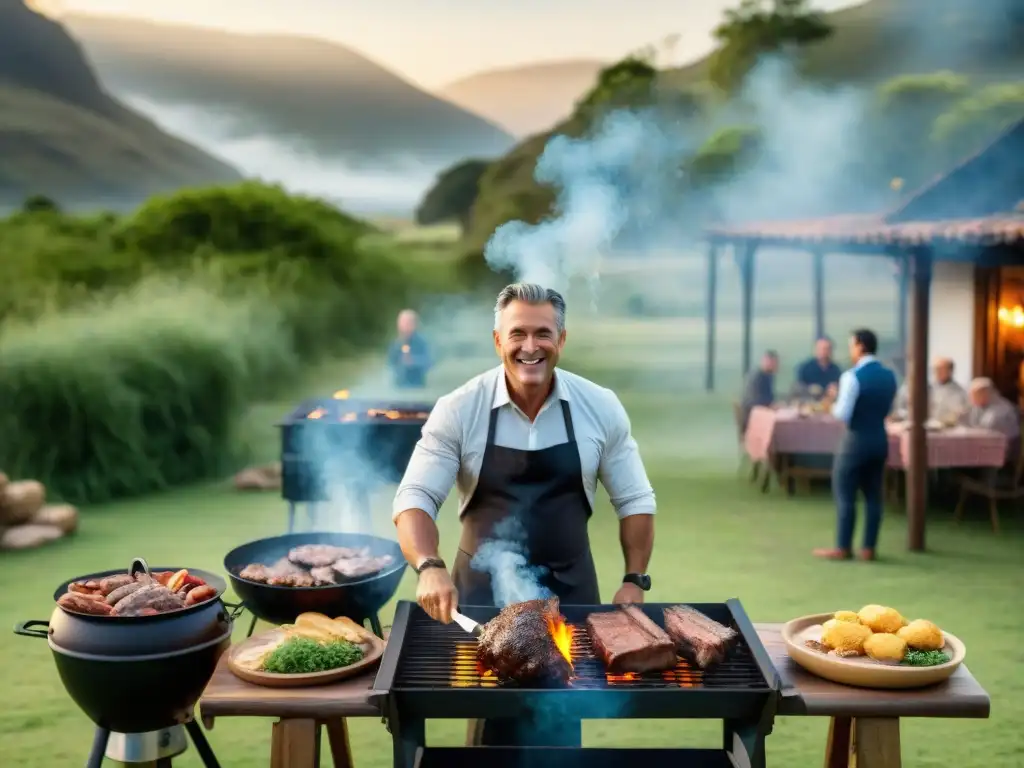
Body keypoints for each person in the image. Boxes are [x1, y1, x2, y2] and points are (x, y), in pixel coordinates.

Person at [392, 282, 656, 748]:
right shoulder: (459, 409)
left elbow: (635, 500)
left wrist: (635, 578)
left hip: (571, 592)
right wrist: (429, 566)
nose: (530, 347)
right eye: (517, 334)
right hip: (480, 595)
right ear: (498, 340)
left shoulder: (599, 406)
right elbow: (414, 497)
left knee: (559, 723)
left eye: (543, 333)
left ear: (562, 339)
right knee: (491, 715)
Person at [814, 329, 897, 562]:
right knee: (873, 495)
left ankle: (843, 546)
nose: (850, 350)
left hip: (855, 441)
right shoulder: (889, 376)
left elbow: (842, 413)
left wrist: (832, 400)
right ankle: (868, 548)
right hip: (879, 439)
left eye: (851, 345)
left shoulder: (852, 376)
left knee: (845, 493)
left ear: (860, 346)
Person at [965, 377, 1021, 473]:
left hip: (1004, 452)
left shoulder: (1002, 409)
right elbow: (970, 422)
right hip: (986, 447)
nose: (971, 399)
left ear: (984, 394)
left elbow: (987, 429)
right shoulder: (980, 405)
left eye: (973, 396)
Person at [892, 357, 968, 423]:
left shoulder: (960, 392)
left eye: (941, 369)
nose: (937, 372)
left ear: (950, 371)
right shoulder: (928, 388)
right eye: (935, 369)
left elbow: (962, 412)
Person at [387, 309, 432, 388]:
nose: (404, 327)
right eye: (402, 323)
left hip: (417, 386)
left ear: (415, 325)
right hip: (399, 386)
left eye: (408, 323)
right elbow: (390, 363)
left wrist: (413, 361)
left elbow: (429, 362)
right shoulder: (396, 343)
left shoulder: (421, 343)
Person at [740, 350, 778, 432]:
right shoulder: (757, 377)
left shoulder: (768, 376)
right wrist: (770, 405)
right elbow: (756, 400)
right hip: (752, 417)